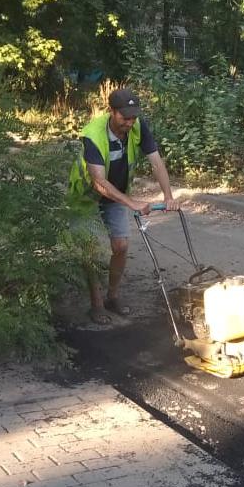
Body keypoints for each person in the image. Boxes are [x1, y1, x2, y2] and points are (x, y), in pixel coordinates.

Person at [67, 88, 179, 324]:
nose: (129, 122)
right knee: (90, 251)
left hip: (116, 194)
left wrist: (169, 196)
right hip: (85, 196)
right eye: (124, 117)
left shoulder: (138, 126)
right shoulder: (93, 136)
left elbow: (156, 162)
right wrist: (133, 203)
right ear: (111, 112)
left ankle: (112, 296)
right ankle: (96, 305)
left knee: (121, 245)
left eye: (133, 117)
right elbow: (99, 183)